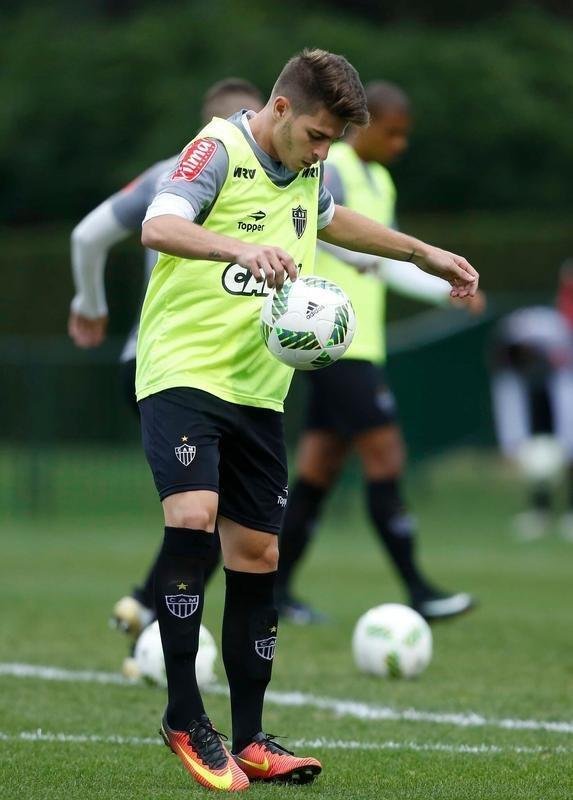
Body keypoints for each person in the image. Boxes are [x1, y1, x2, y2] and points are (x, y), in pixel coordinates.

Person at [137, 48, 478, 791]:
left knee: (259, 554)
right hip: (183, 372)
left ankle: (252, 737)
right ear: (282, 108)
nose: (323, 153)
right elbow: (159, 227)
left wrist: (421, 253)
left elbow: (332, 221)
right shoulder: (218, 148)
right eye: (318, 135)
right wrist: (238, 246)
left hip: (260, 390)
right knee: (193, 514)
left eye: (332, 143)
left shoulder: (308, 167)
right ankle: (184, 716)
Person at [276, 81, 485, 624]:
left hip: (360, 346)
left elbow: (386, 259)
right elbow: (308, 223)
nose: (400, 145)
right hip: (334, 344)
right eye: (393, 133)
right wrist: (349, 258)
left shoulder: (381, 181)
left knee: (318, 472)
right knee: (386, 456)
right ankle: (418, 589)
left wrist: (445, 287)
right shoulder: (333, 162)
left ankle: (274, 589)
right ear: (364, 126)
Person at [68, 78, 264, 640]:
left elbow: (87, 236)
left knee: (203, 507)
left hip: (146, 361)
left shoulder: (166, 173)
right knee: (218, 514)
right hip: (198, 369)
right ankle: (154, 618)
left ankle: (144, 606)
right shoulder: (266, 181)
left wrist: (90, 303)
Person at [490, 265, 573, 541]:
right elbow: (510, 410)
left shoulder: (559, 354)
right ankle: (540, 511)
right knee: (538, 458)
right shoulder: (513, 369)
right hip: (540, 410)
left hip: (558, 399)